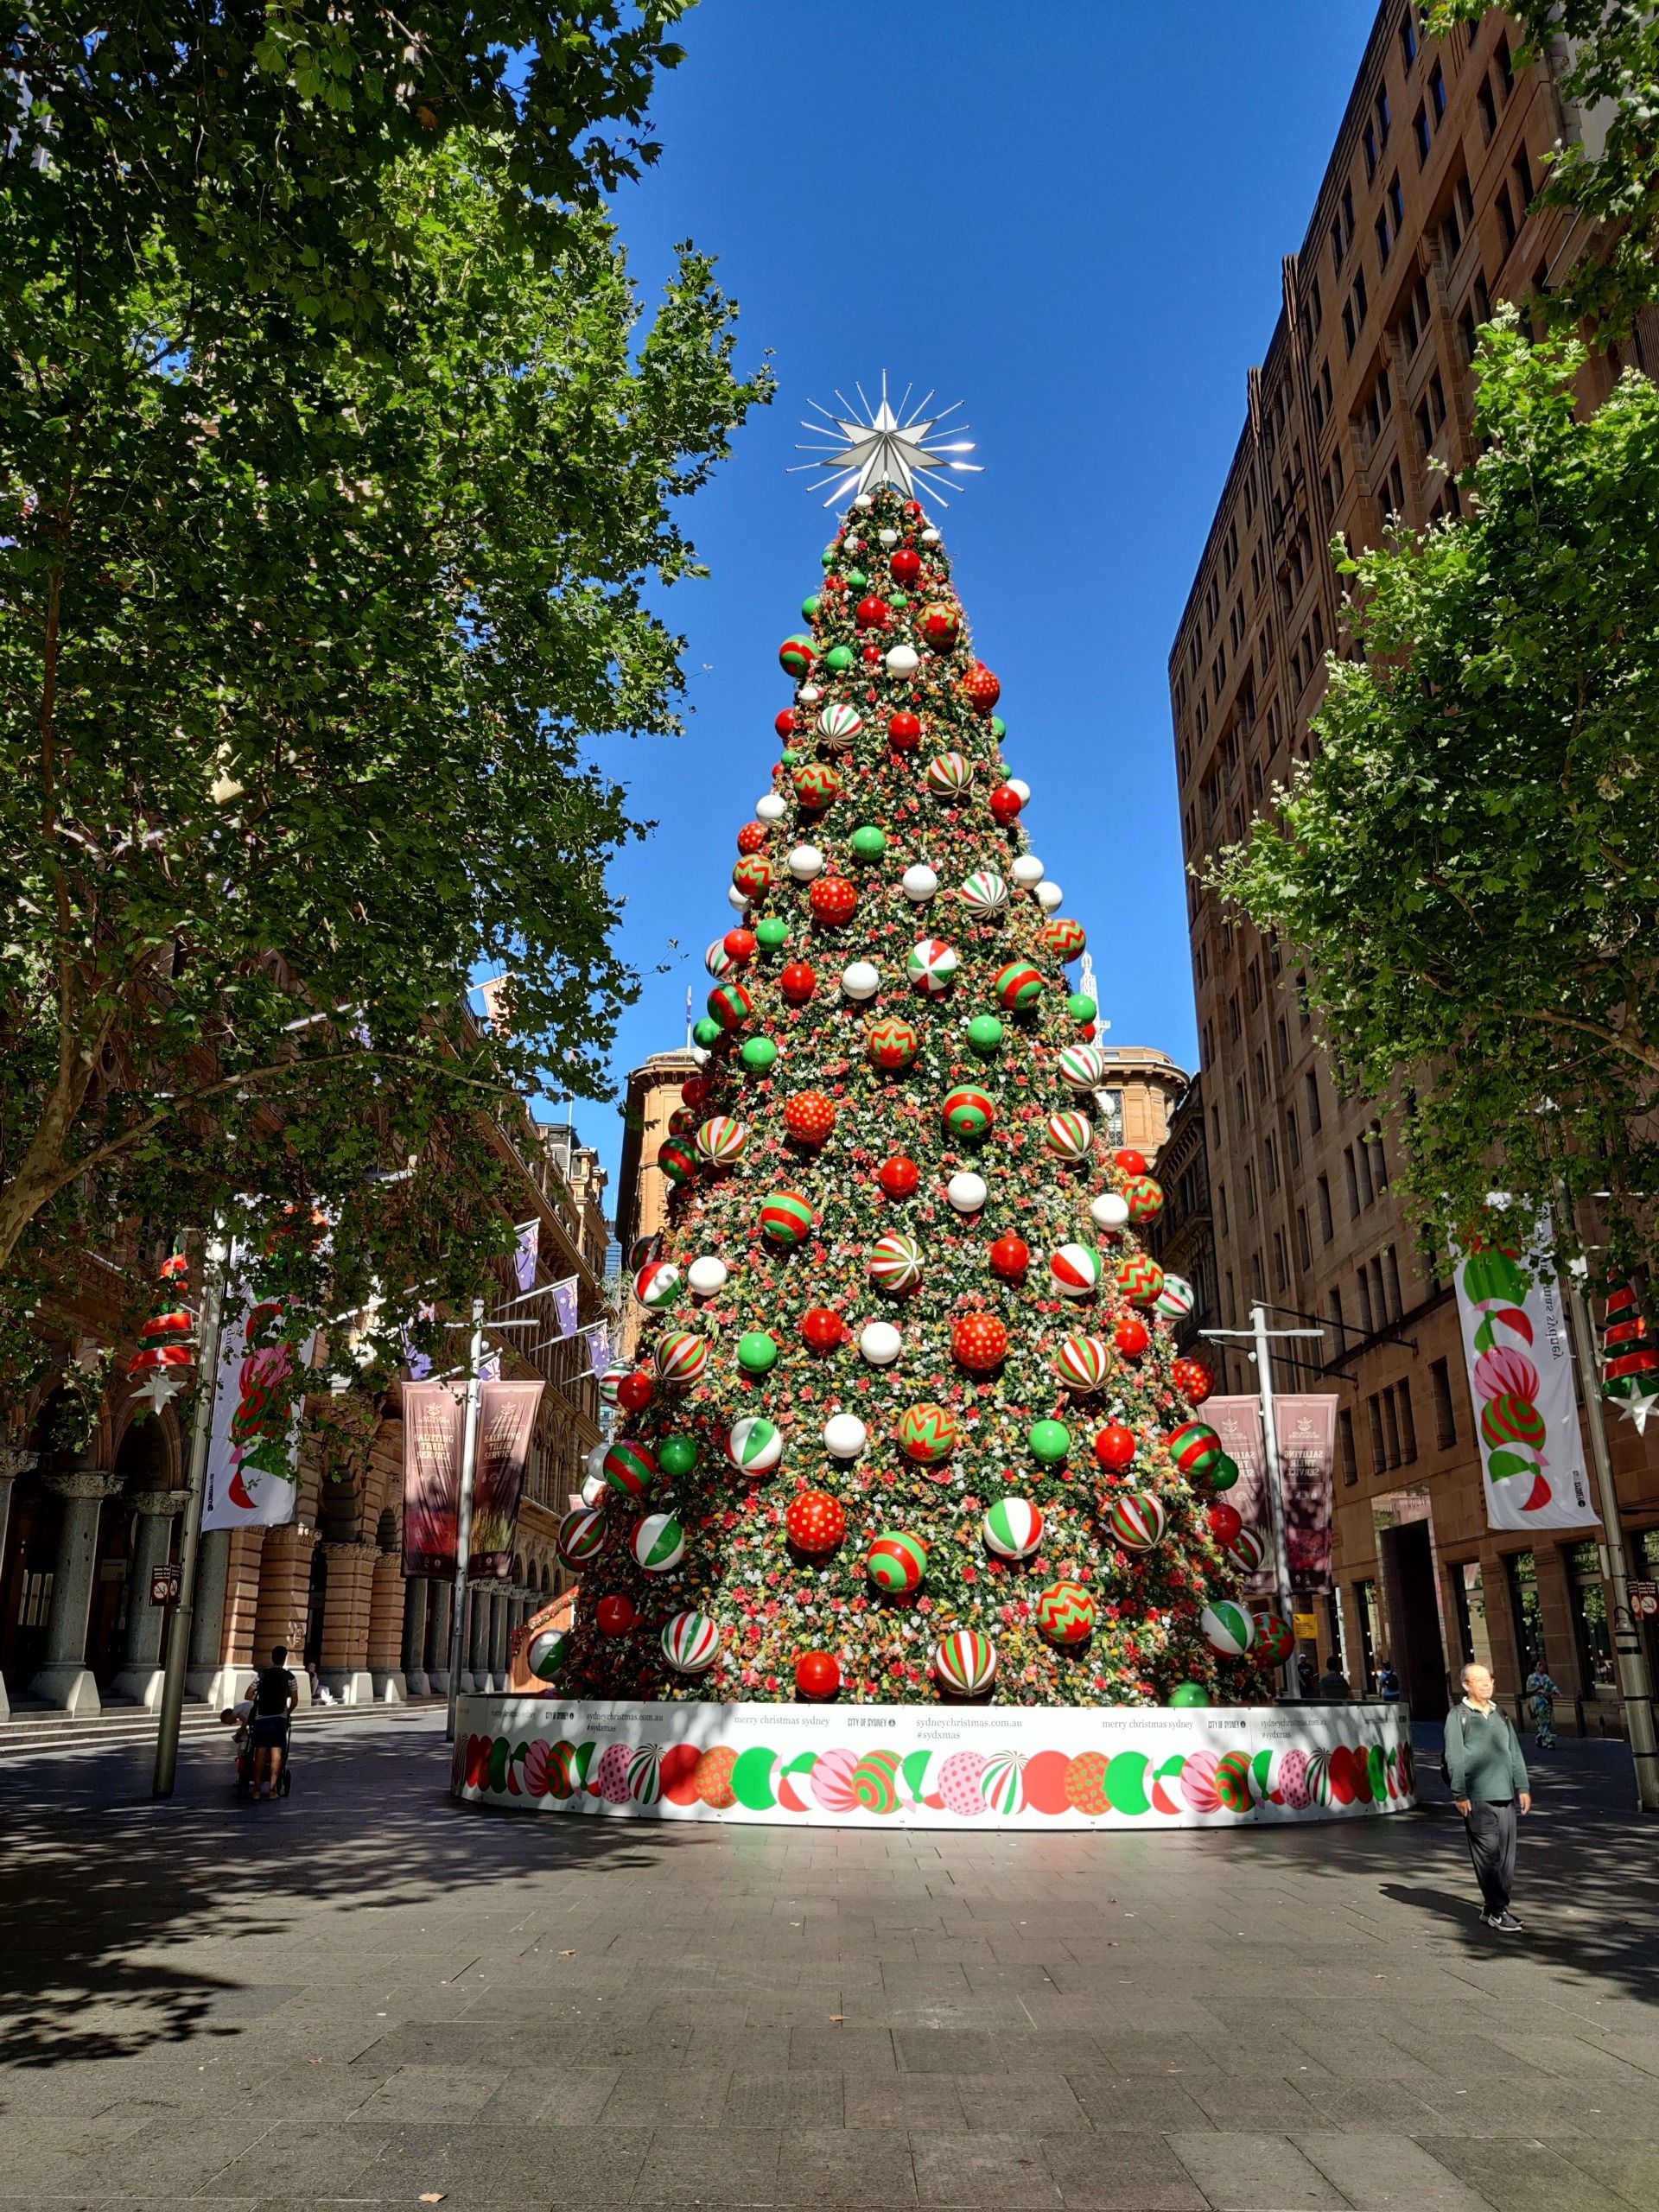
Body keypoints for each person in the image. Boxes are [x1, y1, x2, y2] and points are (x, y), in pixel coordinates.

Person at [1446, 1660, 1531, 1933]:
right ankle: (1498, 1910)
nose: (1486, 1684)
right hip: (1477, 1797)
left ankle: (1493, 1905)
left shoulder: (1501, 1714)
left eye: (1489, 1679)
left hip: (1505, 1795)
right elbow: (1454, 1757)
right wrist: (1459, 1792)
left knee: (1506, 1856)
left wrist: (1523, 1786)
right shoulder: (1457, 1716)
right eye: (1478, 1680)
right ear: (1465, 1685)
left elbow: (1513, 1752)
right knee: (1487, 1856)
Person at [249, 1644, 298, 1800]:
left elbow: (248, 1694)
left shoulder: (262, 1675)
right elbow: (295, 1700)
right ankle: (272, 1790)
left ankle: (256, 1790)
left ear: (272, 1657)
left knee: (259, 1753)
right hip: (279, 1718)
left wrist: (259, 1698)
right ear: (284, 1659)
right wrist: (287, 1712)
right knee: (277, 1753)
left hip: (262, 1717)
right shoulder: (290, 1677)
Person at [1524, 1663, 1561, 1751]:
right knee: (1541, 1721)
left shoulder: (1546, 1677)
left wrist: (1558, 1693)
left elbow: (1552, 1686)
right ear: (1535, 1667)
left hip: (1547, 1701)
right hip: (1537, 1701)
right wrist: (1537, 1689)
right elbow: (1528, 1691)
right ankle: (1549, 1741)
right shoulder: (1531, 1678)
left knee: (1547, 1721)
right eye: (1539, 1665)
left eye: (1542, 1665)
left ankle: (1539, 1736)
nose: (1542, 1667)